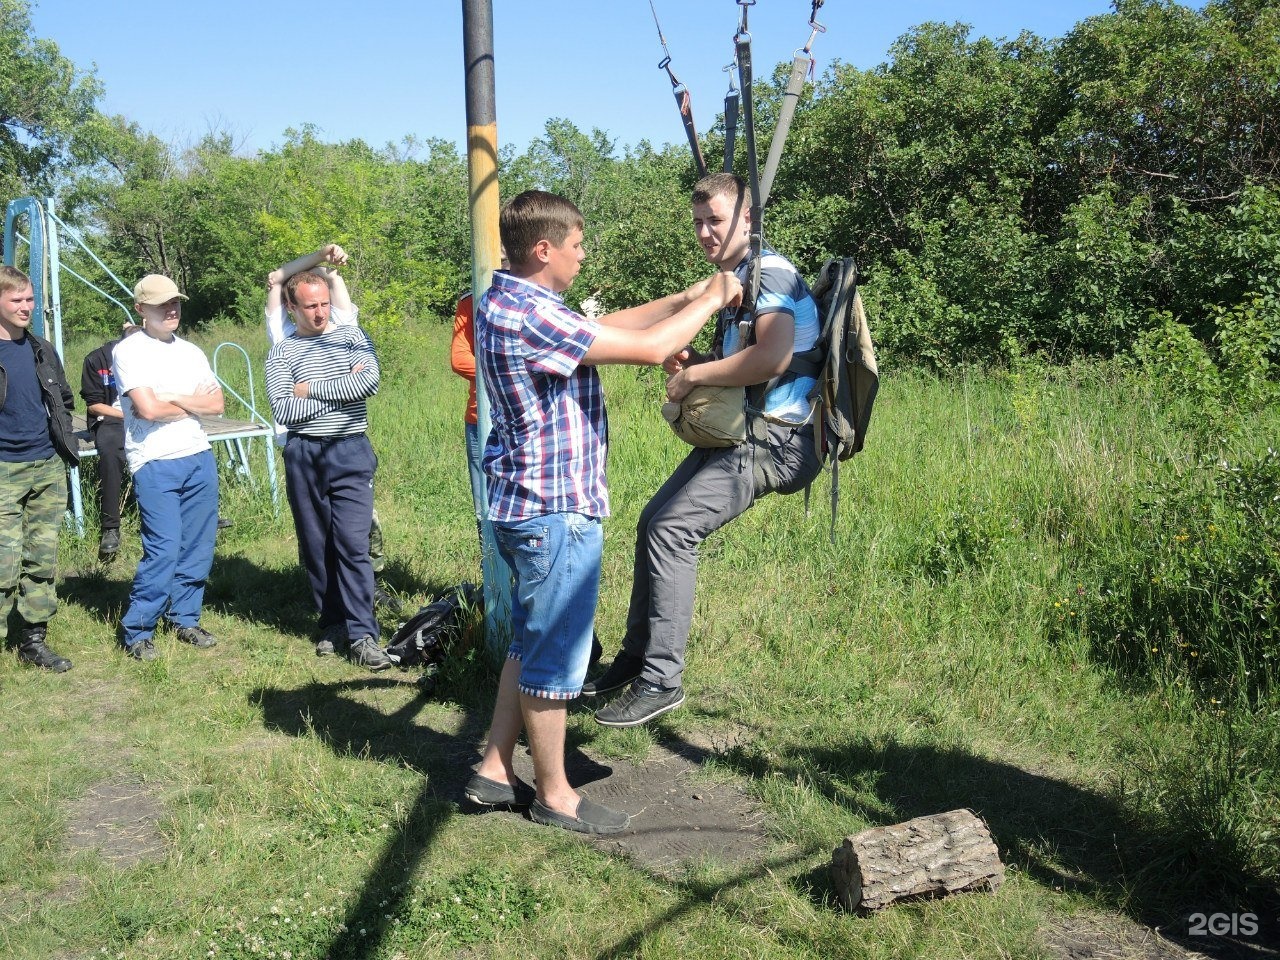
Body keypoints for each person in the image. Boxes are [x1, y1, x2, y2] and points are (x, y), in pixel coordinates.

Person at [465, 190, 742, 835]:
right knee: (556, 656)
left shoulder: (507, 299)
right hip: (552, 508)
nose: (583, 256)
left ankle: (495, 768)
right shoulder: (529, 316)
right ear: (544, 250)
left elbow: (614, 324)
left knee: (532, 642)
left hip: (522, 504)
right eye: (577, 245)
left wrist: (688, 296)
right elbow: (647, 350)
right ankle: (556, 794)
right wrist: (709, 301)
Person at [588, 172, 824, 727]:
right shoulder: (735, 276)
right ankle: (637, 658)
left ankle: (661, 680)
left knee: (674, 529)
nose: (703, 232)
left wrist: (694, 380)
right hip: (746, 432)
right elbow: (735, 359)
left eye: (713, 220)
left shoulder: (771, 275)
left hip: (779, 442)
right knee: (654, 521)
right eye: (696, 222)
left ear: (747, 219)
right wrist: (696, 367)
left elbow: (772, 360)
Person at [265, 270, 391, 671]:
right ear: (291, 307)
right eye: (310, 306)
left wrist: (311, 388)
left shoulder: (352, 336)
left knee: (353, 544)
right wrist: (340, 387)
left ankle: (363, 634)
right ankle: (332, 624)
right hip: (304, 454)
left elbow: (369, 382)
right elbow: (284, 410)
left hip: (351, 451)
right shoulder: (281, 353)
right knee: (317, 546)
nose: (320, 313)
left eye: (324, 304)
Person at [114, 274, 224, 661]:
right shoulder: (130, 352)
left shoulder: (191, 352)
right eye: (162, 304)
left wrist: (174, 398)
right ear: (142, 309)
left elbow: (217, 405)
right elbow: (147, 409)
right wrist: (191, 402)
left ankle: (185, 618)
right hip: (154, 461)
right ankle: (139, 629)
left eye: (175, 302)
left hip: (198, 455)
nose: (172, 309)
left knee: (198, 546)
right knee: (163, 548)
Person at [0, 266, 78, 672]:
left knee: (42, 559)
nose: (26, 307)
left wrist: (62, 440)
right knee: (2, 564)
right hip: (3, 471)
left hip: (47, 465)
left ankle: (33, 641)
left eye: (29, 299)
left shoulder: (41, 349)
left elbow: (63, 399)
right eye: (16, 300)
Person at [80, 321, 141, 560]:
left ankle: (194, 513)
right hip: (111, 418)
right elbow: (94, 405)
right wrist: (128, 414)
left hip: (150, 415)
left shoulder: (153, 356)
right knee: (110, 451)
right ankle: (111, 527)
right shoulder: (97, 360)